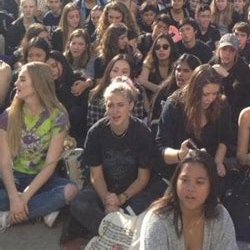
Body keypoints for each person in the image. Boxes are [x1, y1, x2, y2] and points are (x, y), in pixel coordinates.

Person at [70, 79, 161, 236]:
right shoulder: (95, 132)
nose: (115, 110)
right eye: (110, 105)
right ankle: (118, 227)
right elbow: (96, 176)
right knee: (79, 203)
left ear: (131, 106)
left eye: (120, 105)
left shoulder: (142, 132)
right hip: (104, 190)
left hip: (132, 192)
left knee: (158, 196)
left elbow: (143, 178)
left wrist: (121, 198)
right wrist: (108, 200)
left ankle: (109, 226)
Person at [0, 62, 78, 230]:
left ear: (37, 83)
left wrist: (25, 197)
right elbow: (4, 163)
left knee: (70, 191)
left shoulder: (58, 115)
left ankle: (8, 217)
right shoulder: (8, 115)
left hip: (42, 179)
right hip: (11, 179)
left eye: (22, 80)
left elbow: (50, 164)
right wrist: (14, 197)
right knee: (7, 197)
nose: (16, 84)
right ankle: (40, 210)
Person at [140, 149, 238, 250]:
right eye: (185, 180)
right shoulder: (158, 218)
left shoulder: (220, 216)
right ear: (175, 182)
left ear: (211, 186)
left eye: (199, 182)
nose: (190, 188)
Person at [155, 65, 232, 179]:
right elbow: (161, 147)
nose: (210, 99)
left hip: (208, 171)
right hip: (177, 172)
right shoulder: (174, 105)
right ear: (194, 91)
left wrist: (218, 162)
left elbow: (224, 138)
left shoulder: (221, 104)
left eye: (215, 93)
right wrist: (180, 155)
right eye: (205, 94)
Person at [87, 55, 146, 130]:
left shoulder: (137, 92)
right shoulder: (96, 94)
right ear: (109, 72)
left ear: (130, 75)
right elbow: (92, 127)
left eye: (124, 72)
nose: (119, 75)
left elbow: (138, 124)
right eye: (115, 71)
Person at [209, 33, 250, 123]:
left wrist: (226, 77)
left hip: (234, 113)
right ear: (219, 50)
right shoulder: (212, 63)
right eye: (224, 49)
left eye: (231, 50)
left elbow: (236, 98)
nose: (227, 54)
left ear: (236, 52)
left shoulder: (242, 68)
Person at [137, 32, 179, 101]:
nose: (161, 50)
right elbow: (141, 83)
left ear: (171, 48)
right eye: (157, 47)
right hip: (152, 103)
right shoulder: (149, 61)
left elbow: (167, 92)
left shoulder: (177, 64)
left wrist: (146, 83)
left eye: (165, 47)